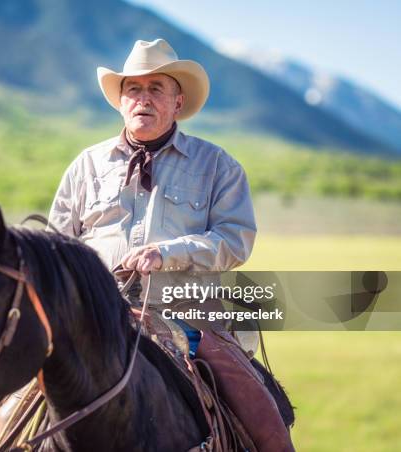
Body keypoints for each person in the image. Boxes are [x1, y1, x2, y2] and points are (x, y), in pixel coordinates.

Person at [47, 39, 294, 451]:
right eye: (134, 90)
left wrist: (167, 253)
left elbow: (235, 240)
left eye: (156, 89)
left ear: (177, 102)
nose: (143, 99)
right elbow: (57, 245)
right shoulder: (85, 166)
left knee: (261, 419)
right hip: (94, 317)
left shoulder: (217, 166)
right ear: (121, 101)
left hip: (187, 315)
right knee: (6, 397)